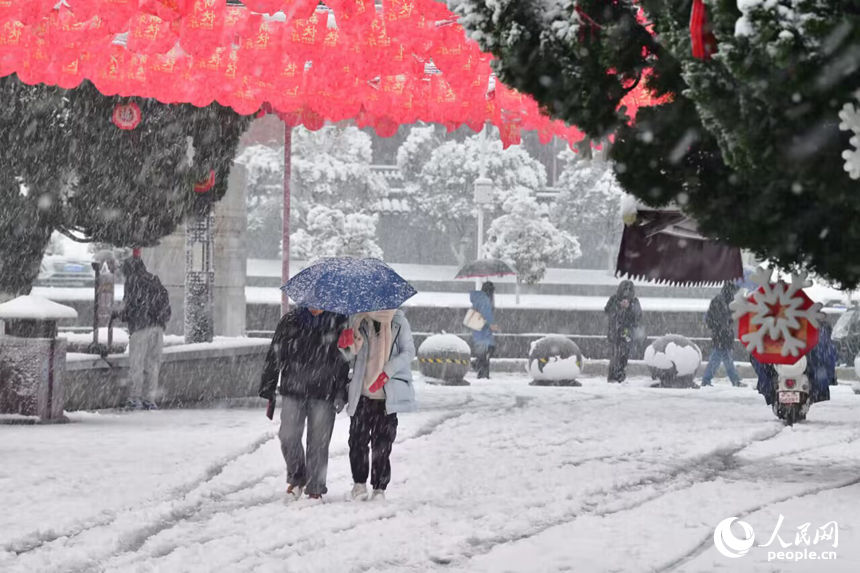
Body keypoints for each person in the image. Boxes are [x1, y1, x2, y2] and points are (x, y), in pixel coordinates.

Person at [259, 306, 349, 502]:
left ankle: (315, 486)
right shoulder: (290, 320)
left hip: (325, 391)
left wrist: (342, 391)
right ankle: (297, 476)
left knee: (319, 442)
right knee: (288, 435)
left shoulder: (339, 321)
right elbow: (275, 353)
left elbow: (343, 360)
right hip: (293, 389)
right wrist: (269, 384)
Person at [339, 309, 417, 501]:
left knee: (382, 444)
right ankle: (359, 485)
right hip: (362, 392)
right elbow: (349, 356)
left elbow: (408, 353)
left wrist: (387, 371)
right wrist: (346, 346)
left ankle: (379, 489)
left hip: (386, 394)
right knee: (357, 441)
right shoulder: (358, 320)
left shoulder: (398, 322)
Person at [115, 257, 171, 410]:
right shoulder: (154, 280)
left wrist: (118, 314)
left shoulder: (132, 282)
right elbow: (164, 303)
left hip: (140, 328)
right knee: (152, 365)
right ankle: (149, 399)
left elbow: (129, 306)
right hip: (158, 328)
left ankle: (134, 398)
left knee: (137, 365)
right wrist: (159, 320)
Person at [701, 283, 742, 387]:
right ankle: (734, 380)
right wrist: (729, 319)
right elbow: (722, 319)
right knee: (721, 358)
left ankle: (708, 380)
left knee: (721, 358)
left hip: (722, 335)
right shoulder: (721, 301)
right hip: (722, 335)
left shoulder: (724, 300)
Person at [605, 280, 642, 383]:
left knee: (623, 357)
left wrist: (629, 308)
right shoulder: (614, 299)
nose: (626, 292)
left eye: (629, 290)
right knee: (614, 355)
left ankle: (620, 376)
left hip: (627, 335)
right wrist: (618, 305)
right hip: (614, 333)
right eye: (624, 289)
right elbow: (608, 310)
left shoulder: (635, 302)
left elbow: (637, 317)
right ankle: (613, 377)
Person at [469, 281, 497, 379]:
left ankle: (481, 370)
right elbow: (486, 316)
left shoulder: (479, 299)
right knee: (487, 352)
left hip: (478, 331)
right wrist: (492, 325)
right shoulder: (485, 301)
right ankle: (481, 371)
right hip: (483, 332)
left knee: (484, 353)